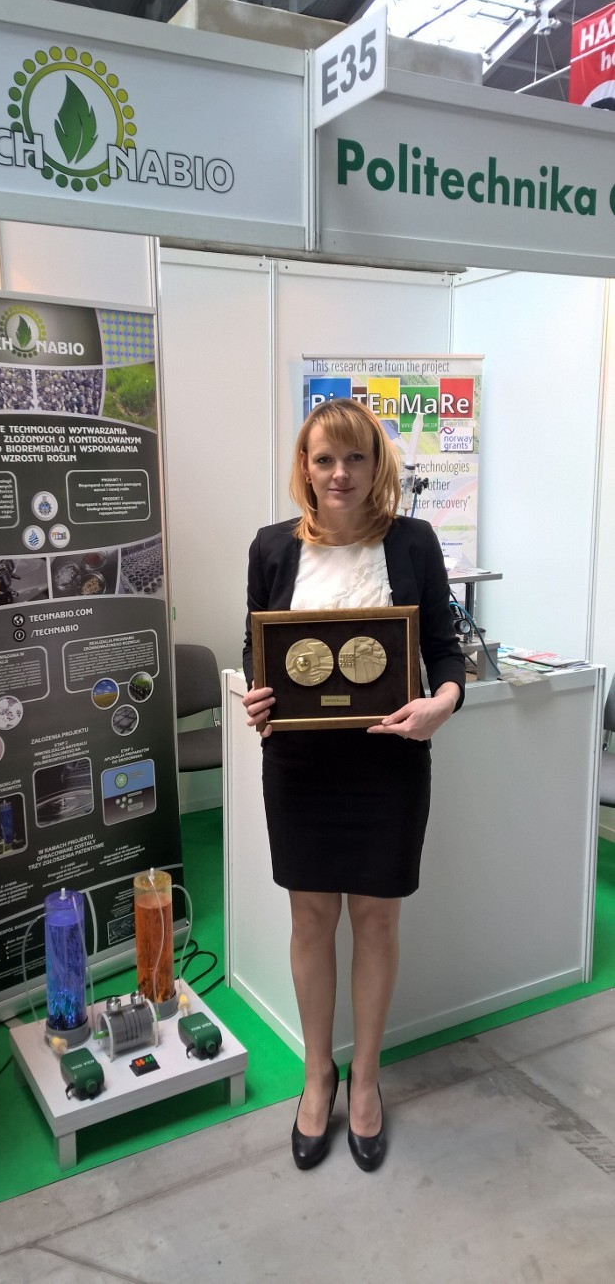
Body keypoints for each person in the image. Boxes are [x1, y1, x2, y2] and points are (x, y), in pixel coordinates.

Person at [242, 397, 465, 1173]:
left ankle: (364, 1077)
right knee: (311, 919)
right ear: (304, 466)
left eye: (355, 458)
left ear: (378, 466)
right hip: (301, 769)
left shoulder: (413, 542)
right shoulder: (271, 548)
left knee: (375, 921)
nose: (340, 473)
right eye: (323, 458)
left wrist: (442, 705)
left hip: (389, 763)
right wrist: (257, 698)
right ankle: (317, 1072)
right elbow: (258, 651)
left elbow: (444, 649)